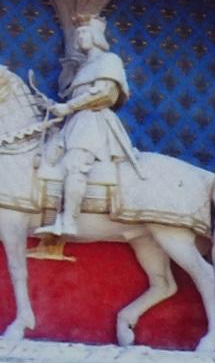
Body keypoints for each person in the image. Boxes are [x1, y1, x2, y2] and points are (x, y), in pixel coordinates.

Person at [36, 14, 141, 237]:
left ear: (96, 36)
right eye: (78, 33)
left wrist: (69, 107)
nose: (79, 36)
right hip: (74, 122)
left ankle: (69, 222)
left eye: (84, 32)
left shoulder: (109, 60)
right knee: (47, 157)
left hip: (93, 121)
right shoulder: (84, 66)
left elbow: (105, 94)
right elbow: (69, 93)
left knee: (76, 165)